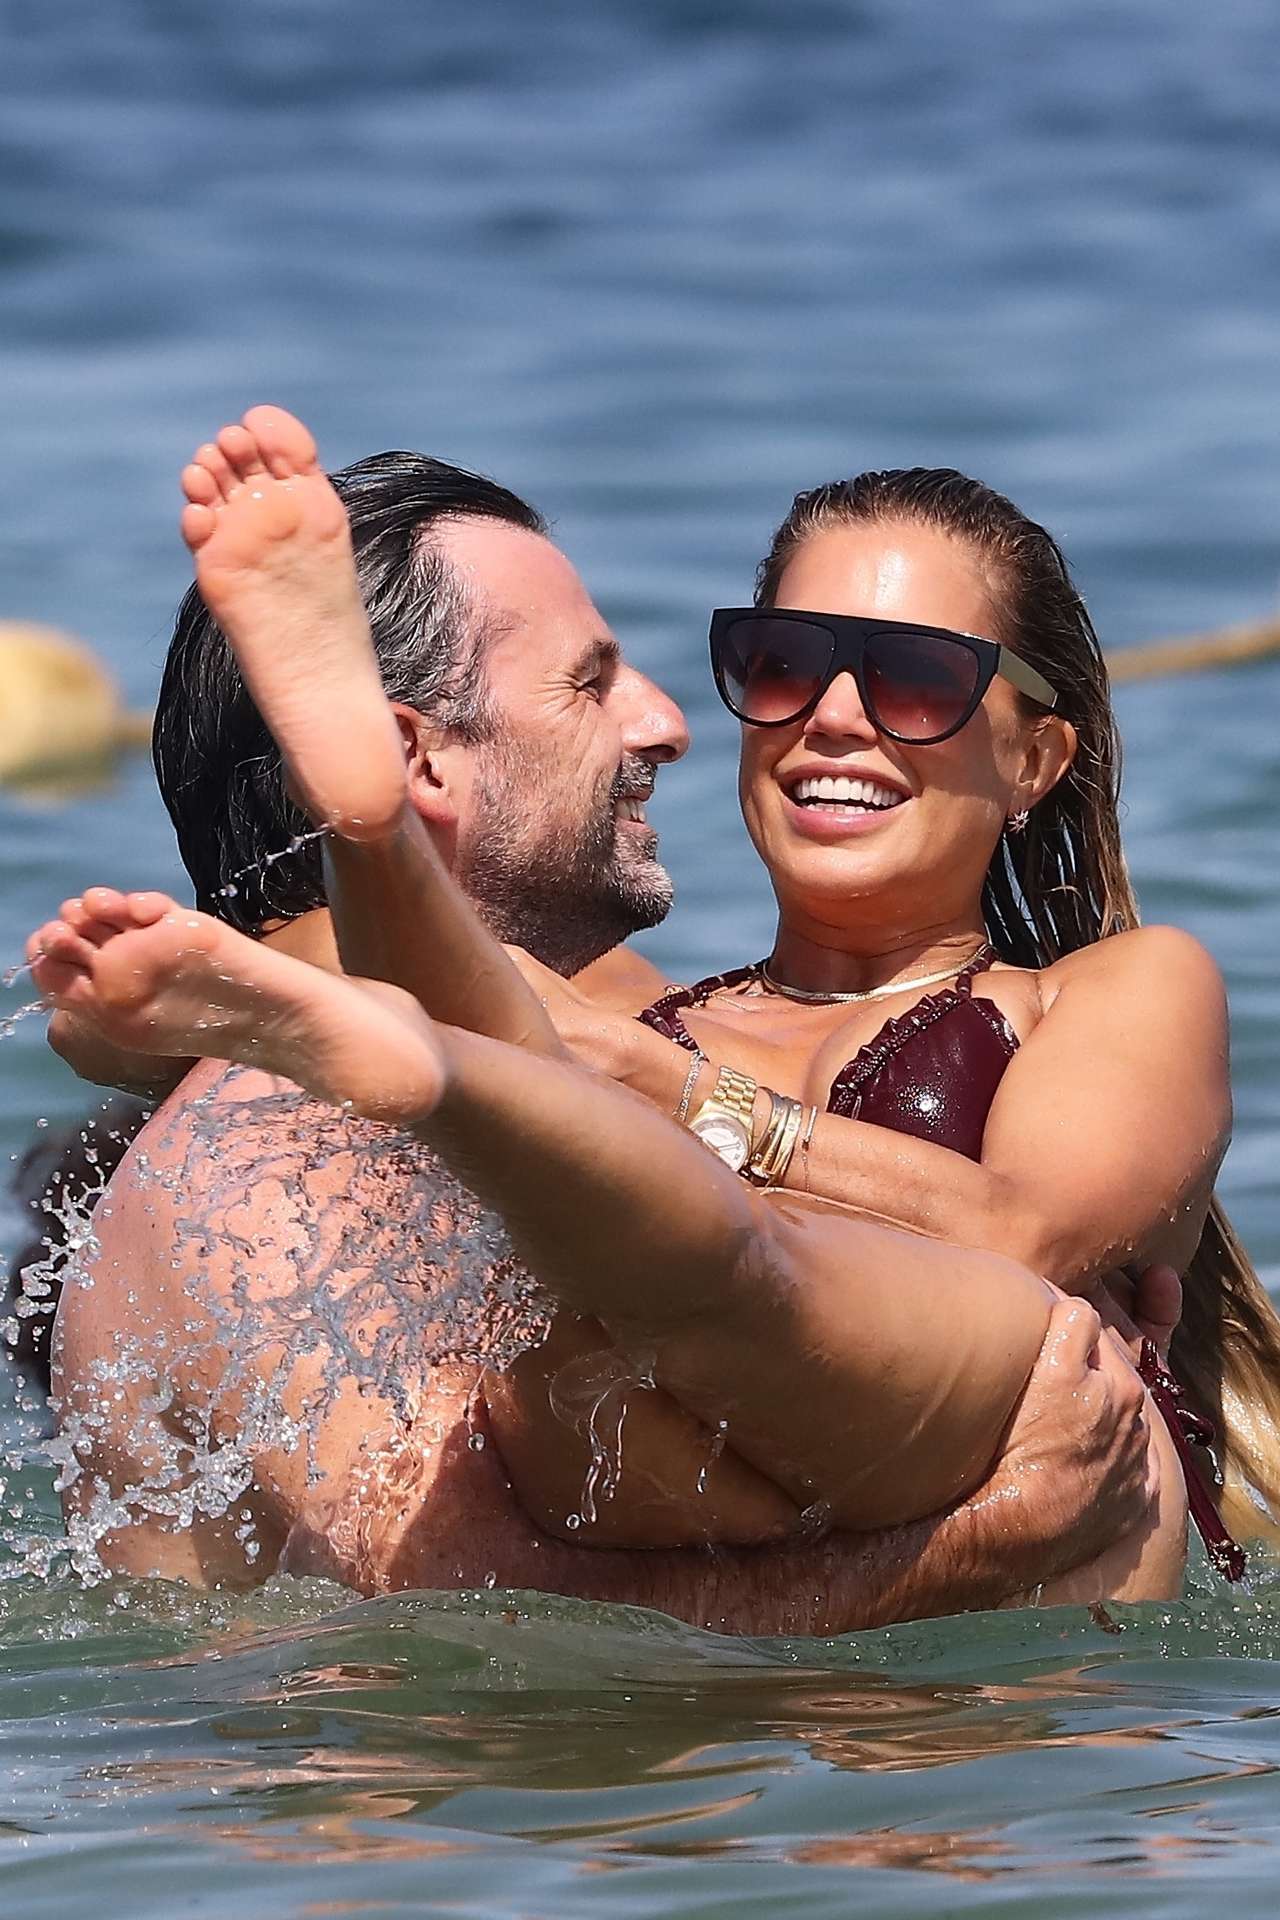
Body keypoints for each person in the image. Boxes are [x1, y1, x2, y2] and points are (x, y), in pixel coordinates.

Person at [29, 407, 1181, 1621]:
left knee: (599, 1157)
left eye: (915, 681)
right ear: (419, 759)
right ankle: (392, 891)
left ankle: (390, 891)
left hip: (729, 1449)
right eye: (592, 685)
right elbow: (470, 1615)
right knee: (697, 1250)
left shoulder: (610, 1016)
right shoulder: (262, 1160)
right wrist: (993, 1539)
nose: (669, 725)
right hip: (473, 1738)